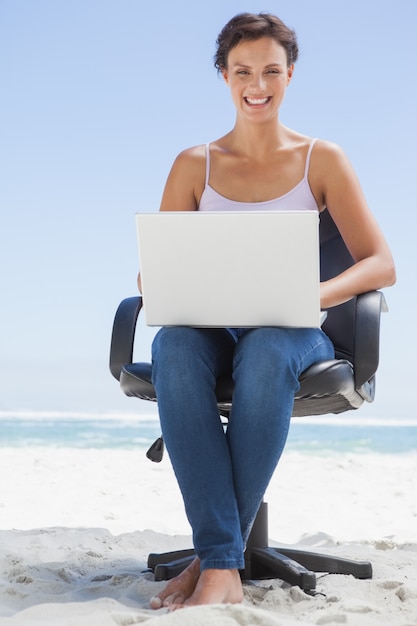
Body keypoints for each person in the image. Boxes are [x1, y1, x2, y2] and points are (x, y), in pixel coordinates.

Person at [138, 12, 396, 610]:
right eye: (243, 71)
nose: (258, 84)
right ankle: (221, 562)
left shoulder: (321, 159)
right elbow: (158, 271)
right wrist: (159, 279)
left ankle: (214, 562)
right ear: (224, 76)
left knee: (268, 348)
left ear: (290, 75)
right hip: (215, 325)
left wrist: (314, 295)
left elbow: (380, 263)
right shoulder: (193, 165)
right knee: (172, 346)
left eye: (271, 71)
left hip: (298, 327)